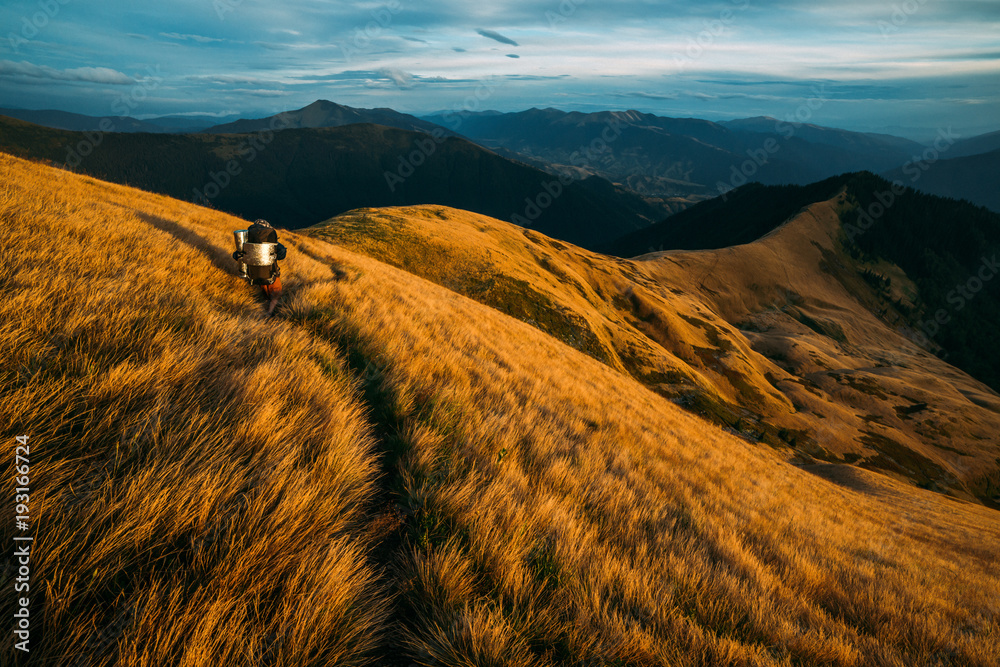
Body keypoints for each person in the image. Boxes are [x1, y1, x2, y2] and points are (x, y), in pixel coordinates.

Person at [240, 219, 287, 315]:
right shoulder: (272, 241)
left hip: (254, 274)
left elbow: (237, 255)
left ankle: (265, 308)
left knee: (265, 292)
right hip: (271, 273)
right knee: (276, 294)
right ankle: (270, 313)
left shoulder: (248, 241)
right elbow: (282, 254)